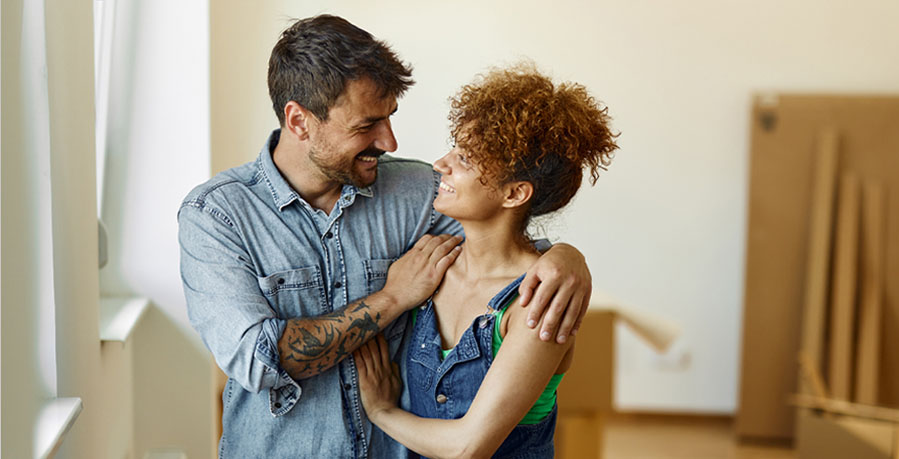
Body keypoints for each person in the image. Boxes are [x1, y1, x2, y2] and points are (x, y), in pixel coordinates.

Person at [178, 15, 592, 458]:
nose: (390, 141)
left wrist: (568, 259)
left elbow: (506, 234)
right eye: (366, 125)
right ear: (299, 121)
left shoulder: (416, 193)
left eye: (389, 118)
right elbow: (258, 361)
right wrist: (393, 298)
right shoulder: (217, 216)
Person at [355, 64, 619, 458]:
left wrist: (380, 410)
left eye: (465, 158)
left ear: (514, 194)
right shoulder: (430, 267)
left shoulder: (537, 301)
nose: (441, 164)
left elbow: (467, 447)